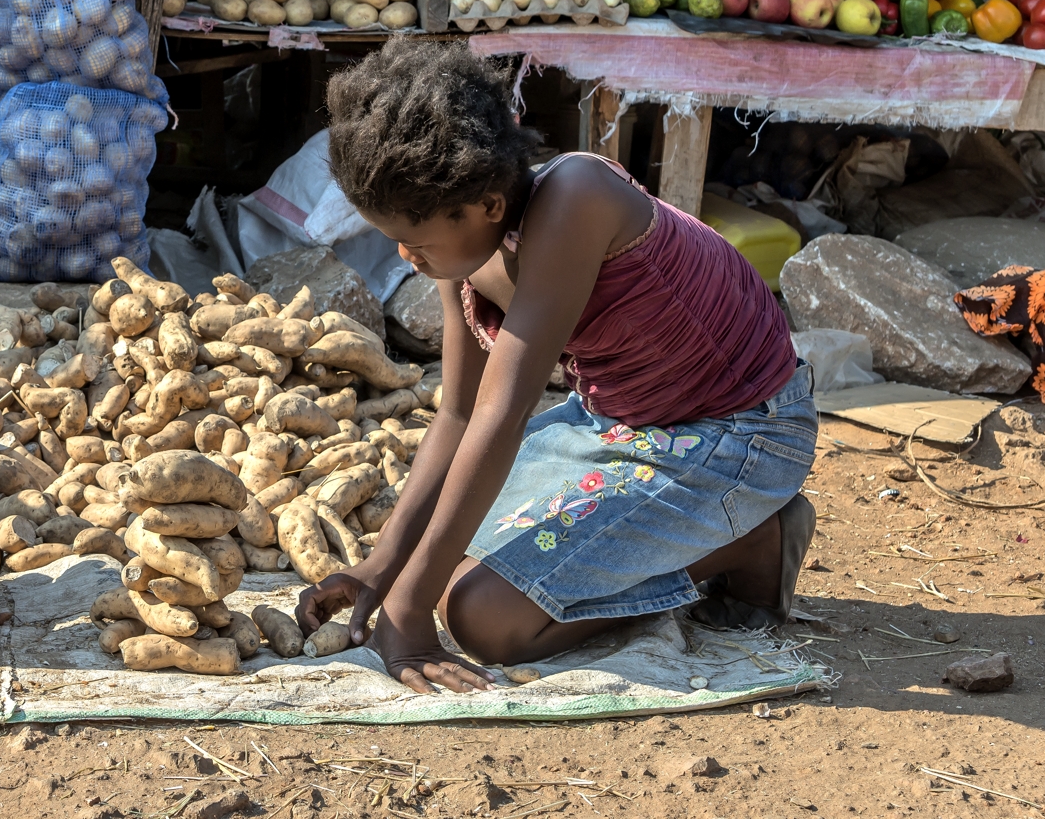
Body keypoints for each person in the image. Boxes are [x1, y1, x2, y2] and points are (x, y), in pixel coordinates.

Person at [298, 43, 815, 693]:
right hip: (617, 423)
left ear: (485, 205)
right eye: (394, 238)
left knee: (482, 617)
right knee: (438, 553)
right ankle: (710, 531)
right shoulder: (457, 239)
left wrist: (408, 613)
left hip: (737, 433)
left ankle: (754, 540)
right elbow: (458, 411)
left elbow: (502, 411)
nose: (406, 255)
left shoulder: (577, 195)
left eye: (417, 240)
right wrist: (383, 570)